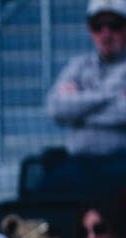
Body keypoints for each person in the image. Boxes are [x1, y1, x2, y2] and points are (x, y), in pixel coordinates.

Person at [40, 0, 126, 193]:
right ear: (90, 30)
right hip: (79, 164)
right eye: (98, 26)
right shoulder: (77, 66)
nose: (106, 33)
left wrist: (79, 109)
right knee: (45, 190)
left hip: (120, 164)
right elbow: (56, 109)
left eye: (114, 25)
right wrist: (111, 96)